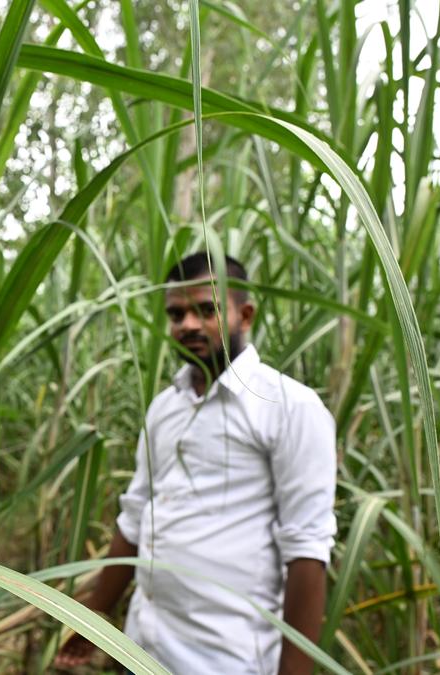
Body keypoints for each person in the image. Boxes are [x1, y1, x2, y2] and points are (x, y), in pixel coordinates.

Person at [54, 252, 337, 674]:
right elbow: (135, 520)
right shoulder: (164, 409)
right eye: (176, 313)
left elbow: (307, 551)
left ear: (244, 314)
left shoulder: (289, 407)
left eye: (207, 310)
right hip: (141, 649)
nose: (187, 324)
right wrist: (91, 622)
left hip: (226, 659)